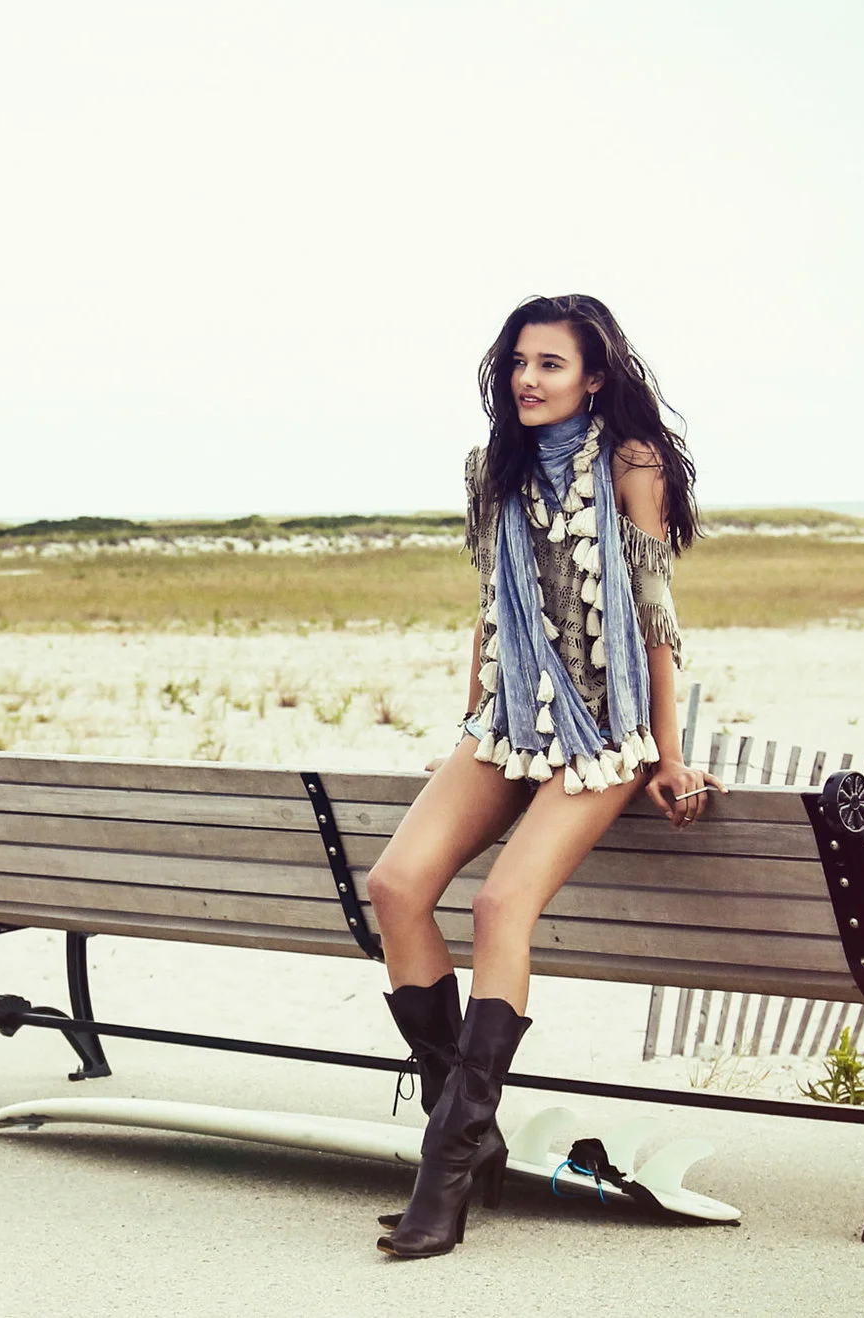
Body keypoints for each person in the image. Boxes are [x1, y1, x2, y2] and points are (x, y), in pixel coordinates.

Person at [367, 294, 721, 1259]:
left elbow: (653, 614)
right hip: (510, 720)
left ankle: (444, 1171)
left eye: (550, 364)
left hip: (605, 733)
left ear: (594, 377)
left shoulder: (632, 464)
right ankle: (465, 1125)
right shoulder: (491, 470)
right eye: (519, 362)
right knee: (395, 886)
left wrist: (669, 753)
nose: (528, 379)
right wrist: (469, 728)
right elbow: (491, 609)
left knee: (498, 908)